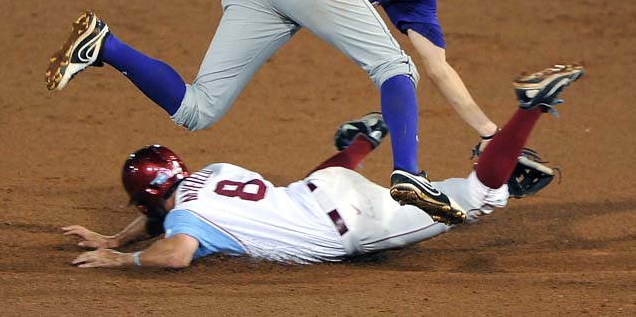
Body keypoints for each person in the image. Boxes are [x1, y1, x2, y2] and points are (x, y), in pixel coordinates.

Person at [47, 0, 502, 225]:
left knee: (198, 110)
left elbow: (439, 67)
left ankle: (105, 45)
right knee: (395, 67)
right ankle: (408, 174)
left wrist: (490, 135)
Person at [63, 64, 583, 268]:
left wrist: (122, 259)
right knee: (291, 191)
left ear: (151, 198)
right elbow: (163, 210)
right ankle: (358, 144)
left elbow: (174, 250)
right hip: (329, 182)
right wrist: (113, 237)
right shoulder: (211, 172)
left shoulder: (185, 222)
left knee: (477, 198)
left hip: (354, 224)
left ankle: (528, 109)